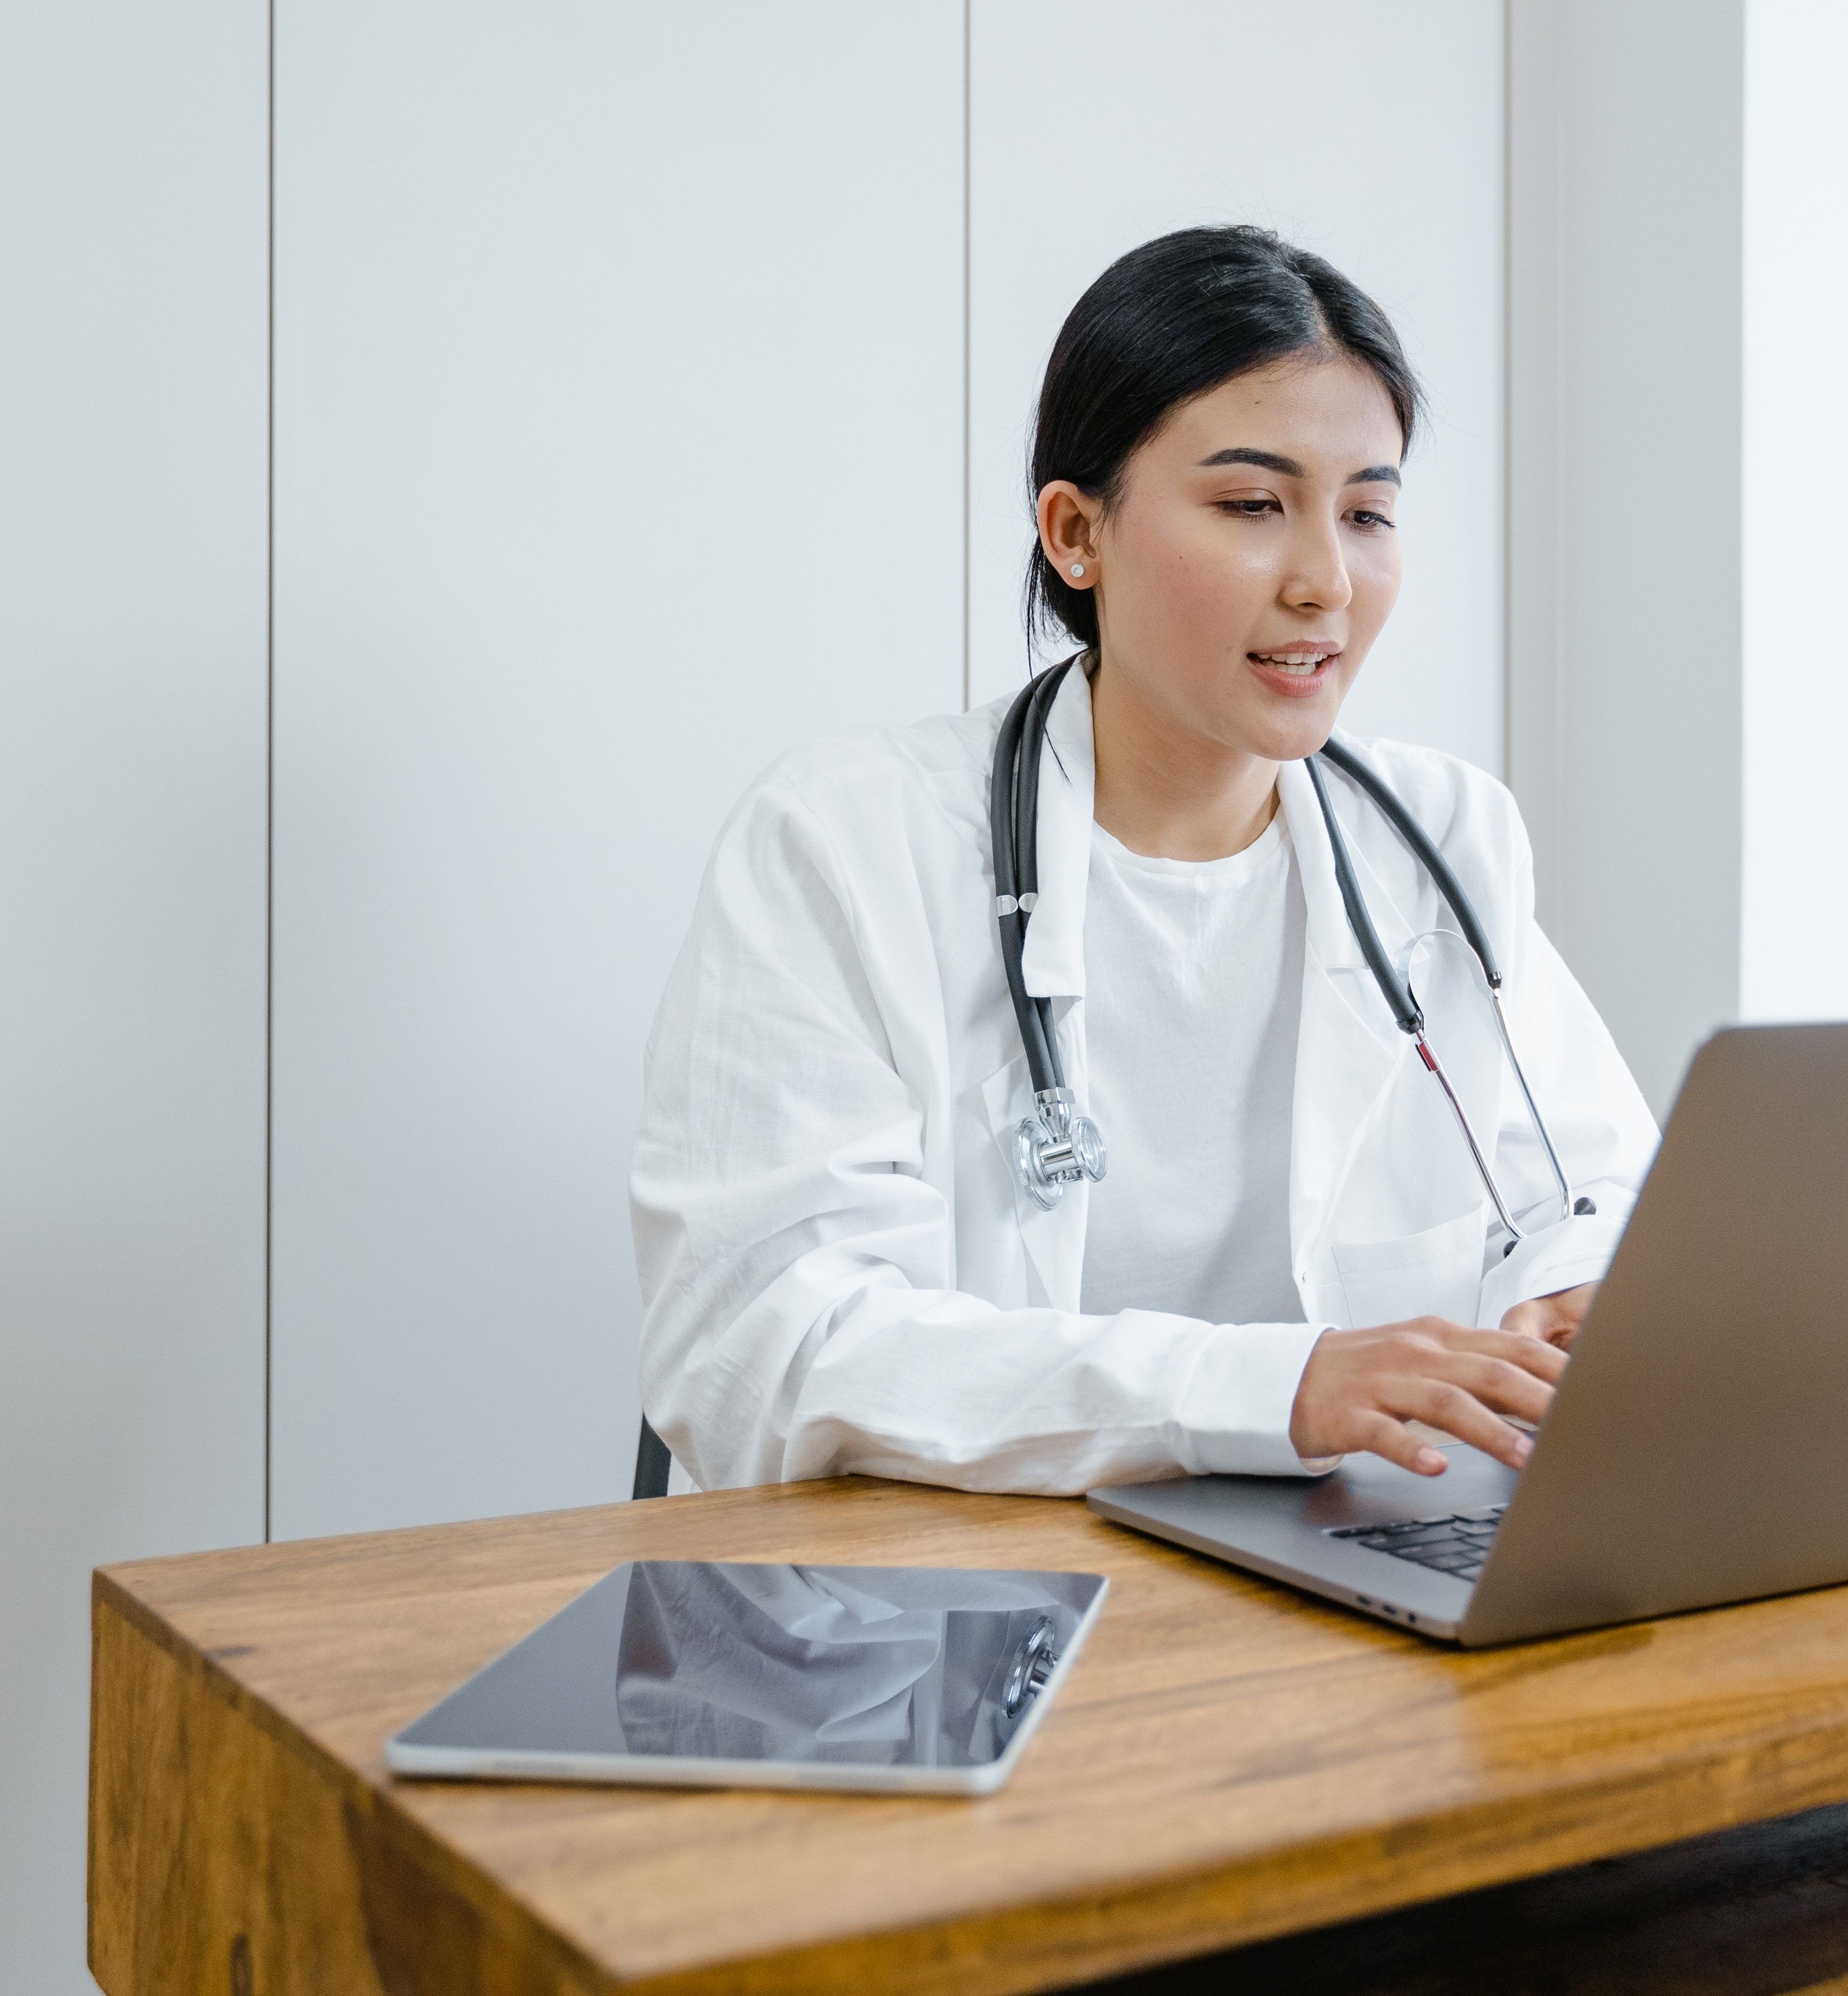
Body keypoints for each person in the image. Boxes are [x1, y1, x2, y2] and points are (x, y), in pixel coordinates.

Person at [632, 226, 1656, 1497]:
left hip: (1333, 1578)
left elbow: (1584, 1183)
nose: (1326, 580)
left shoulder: (1440, 839)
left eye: (1367, 512)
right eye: (1250, 506)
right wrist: (1267, 1387)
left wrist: (1572, 1295)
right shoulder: (845, 844)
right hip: (938, 1619)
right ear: (1075, 533)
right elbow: (766, 1349)